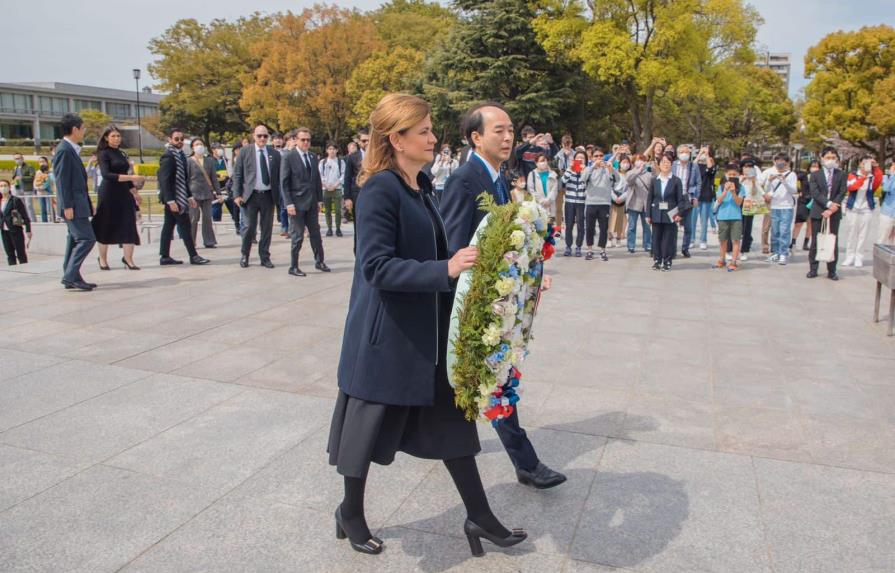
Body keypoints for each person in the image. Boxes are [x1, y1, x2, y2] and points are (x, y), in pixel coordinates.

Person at [328, 94, 526, 558]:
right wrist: (446, 269)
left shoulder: (419, 186)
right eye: (423, 131)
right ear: (396, 139)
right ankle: (350, 512)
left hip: (428, 333)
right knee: (365, 432)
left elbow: (445, 255)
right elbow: (375, 267)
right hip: (387, 337)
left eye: (432, 130)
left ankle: (480, 516)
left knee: (453, 425)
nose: (434, 138)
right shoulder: (380, 189)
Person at [442, 101, 566, 491]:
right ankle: (523, 462)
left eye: (511, 129)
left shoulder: (499, 178)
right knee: (489, 380)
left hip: (493, 298)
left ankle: (520, 462)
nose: (508, 136)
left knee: (490, 380)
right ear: (475, 137)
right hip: (469, 302)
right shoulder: (464, 180)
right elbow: (453, 243)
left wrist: (526, 273)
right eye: (499, 130)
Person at [91, 126, 144, 271]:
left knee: (128, 224)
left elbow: (124, 174)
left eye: (118, 136)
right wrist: (132, 177)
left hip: (123, 193)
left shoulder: (122, 153)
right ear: (106, 138)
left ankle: (128, 259)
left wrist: (134, 192)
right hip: (109, 193)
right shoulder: (103, 153)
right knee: (105, 225)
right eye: (113, 136)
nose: (116, 139)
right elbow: (107, 174)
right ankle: (102, 259)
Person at [53, 113, 96, 291]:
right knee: (87, 239)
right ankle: (70, 276)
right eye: (83, 128)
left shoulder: (70, 149)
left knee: (74, 240)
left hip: (78, 203)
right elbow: (62, 181)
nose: (84, 131)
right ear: (74, 129)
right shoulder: (64, 150)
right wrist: (68, 205)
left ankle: (72, 275)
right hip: (73, 205)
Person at [280, 127, 329, 277]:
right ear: (295, 140)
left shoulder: (313, 157)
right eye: (303, 140)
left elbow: (316, 180)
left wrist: (319, 200)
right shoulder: (289, 157)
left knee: (315, 234)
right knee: (297, 236)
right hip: (296, 203)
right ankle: (293, 266)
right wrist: (288, 203)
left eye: (308, 140)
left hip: (312, 202)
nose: (306, 142)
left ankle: (319, 261)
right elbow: (284, 182)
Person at [157, 128, 210, 267]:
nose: (179, 141)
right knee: (185, 225)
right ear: (169, 140)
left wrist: (189, 196)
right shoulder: (168, 156)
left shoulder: (180, 155)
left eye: (181, 139)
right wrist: (170, 200)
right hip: (174, 198)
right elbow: (165, 180)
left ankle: (164, 256)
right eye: (176, 139)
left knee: (168, 226)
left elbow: (183, 179)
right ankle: (193, 255)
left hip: (180, 196)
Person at [232, 124, 281, 268]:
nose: (262, 138)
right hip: (250, 196)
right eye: (259, 135)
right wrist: (236, 194)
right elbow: (237, 174)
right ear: (254, 136)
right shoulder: (245, 152)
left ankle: (265, 256)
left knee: (267, 228)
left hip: (268, 195)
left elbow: (278, 176)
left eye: (265, 136)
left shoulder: (274, 154)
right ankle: (245, 255)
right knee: (248, 228)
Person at [807, 146, 847, 280]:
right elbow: (815, 193)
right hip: (819, 211)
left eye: (833, 158)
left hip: (834, 212)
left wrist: (832, 208)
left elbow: (842, 192)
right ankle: (813, 268)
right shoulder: (815, 175)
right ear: (822, 158)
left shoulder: (841, 174)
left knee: (832, 240)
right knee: (816, 241)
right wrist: (828, 204)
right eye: (828, 157)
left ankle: (832, 270)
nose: (831, 160)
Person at [647, 152, 685, 271]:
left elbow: (680, 200)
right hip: (656, 213)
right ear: (659, 164)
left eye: (668, 162)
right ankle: (657, 260)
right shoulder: (654, 180)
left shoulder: (676, 181)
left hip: (671, 214)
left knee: (668, 238)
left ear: (671, 164)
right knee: (656, 237)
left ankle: (667, 260)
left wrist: (679, 214)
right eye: (663, 162)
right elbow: (650, 198)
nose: (665, 164)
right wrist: (648, 214)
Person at [843, 155, 884, 267]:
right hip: (853, 208)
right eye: (863, 163)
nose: (865, 165)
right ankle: (849, 256)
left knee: (863, 234)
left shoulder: (872, 177)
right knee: (851, 233)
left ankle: (859, 257)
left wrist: (876, 167)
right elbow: (852, 187)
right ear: (859, 164)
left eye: (868, 163)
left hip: (866, 208)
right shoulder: (852, 175)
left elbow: (878, 181)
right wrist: (863, 177)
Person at [760, 153, 798, 265]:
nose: (780, 163)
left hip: (786, 206)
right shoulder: (772, 174)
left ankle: (783, 254)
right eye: (777, 161)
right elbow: (769, 190)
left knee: (784, 231)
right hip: (774, 205)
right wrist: (770, 181)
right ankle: (775, 253)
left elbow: (793, 190)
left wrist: (784, 181)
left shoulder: (791, 174)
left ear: (787, 163)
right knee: (775, 231)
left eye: (782, 161)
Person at [185, 138, 220, 249]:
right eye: (197, 144)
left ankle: (209, 241)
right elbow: (186, 178)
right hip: (194, 193)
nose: (199, 146)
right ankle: (191, 241)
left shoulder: (209, 161)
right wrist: (187, 194)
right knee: (193, 218)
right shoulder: (189, 161)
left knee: (207, 218)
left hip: (207, 193)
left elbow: (213, 177)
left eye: (201, 144)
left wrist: (218, 192)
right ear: (192, 147)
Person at [583, 152, 616, 261]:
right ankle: (589, 250)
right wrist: (593, 166)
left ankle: (603, 250)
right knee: (589, 228)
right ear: (592, 158)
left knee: (603, 228)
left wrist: (611, 169)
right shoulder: (589, 169)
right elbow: (583, 178)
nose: (598, 158)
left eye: (600, 156)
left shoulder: (607, 168)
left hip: (604, 203)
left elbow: (617, 179)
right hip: (591, 202)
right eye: (596, 156)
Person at [713, 163, 747, 271]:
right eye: (730, 174)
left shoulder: (741, 187)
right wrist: (725, 191)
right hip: (722, 217)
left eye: (734, 174)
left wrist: (733, 192)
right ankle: (721, 259)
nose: (732, 176)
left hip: (736, 217)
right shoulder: (721, 186)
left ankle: (733, 261)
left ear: (738, 175)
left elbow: (739, 203)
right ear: (726, 175)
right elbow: (718, 201)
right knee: (723, 240)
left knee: (735, 240)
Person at [672, 144, 701, 257]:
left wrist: (696, 197)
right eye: (682, 152)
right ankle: (672, 249)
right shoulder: (673, 165)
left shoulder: (694, 166)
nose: (685, 154)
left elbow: (698, 182)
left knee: (688, 226)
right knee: (673, 226)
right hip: (675, 198)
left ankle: (685, 248)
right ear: (678, 154)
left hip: (688, 198)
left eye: (687, 152)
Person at [560, 150, 588, 257]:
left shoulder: (587, 171)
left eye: (583, 158)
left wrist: (584, 171)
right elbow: (563, 180)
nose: (580, 160)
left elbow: (588, 183)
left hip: (581, 201)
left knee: (581, 225)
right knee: (569, 224)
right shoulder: (570, 169)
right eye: (578, 158)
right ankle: (568, 246)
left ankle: (578, 247)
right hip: (569, 201)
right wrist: (571, 169)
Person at [625, 153, 653, 254]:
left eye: (641, 160)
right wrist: (637, 171)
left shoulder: (649, 174)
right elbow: (629, 180)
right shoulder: (631, 172)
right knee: (632, 226)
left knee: (647, 227)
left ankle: (648, 244)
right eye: (637, 160)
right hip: (634, 203)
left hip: (646, 204)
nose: (639, 162)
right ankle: (631, 245)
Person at [738, 158, 764, 261]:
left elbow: (755, 192)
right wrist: (742, 180)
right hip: (738, 203)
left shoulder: (754, 180)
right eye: (746, 167)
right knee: (737, 227)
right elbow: (735, 189)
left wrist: (753, 182)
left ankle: (744, 250)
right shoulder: (739, 178)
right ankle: (731, 249)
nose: (748, 169)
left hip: (749, 204)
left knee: (747, 228)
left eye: (750, 167)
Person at [1, 179, 31, 265]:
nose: (3, 188)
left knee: (21, 254)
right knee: (10, 254)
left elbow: (25, 216)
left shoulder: (15, 200)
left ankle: (25, 270)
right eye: (1, 186)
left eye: (5, 185)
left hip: (16, 230)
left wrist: (28, 230)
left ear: (9, 187)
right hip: (4, 231)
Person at [319, 142, 346, 237]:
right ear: (326, 150)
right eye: (330, 149)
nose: (332, 151)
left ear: (337, 150)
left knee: (338, 210)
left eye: (334, 149)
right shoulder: (323, 162)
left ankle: (338, 229)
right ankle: (329, 229)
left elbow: (343, 175)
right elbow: (320, 175)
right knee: (327, 210)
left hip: (337, 189)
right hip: (325, 189)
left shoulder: (340, 162)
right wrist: (326, 185)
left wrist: (335, 185)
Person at [792, 160, 818, 251]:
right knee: (799, 223)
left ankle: (806, 243)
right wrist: (799, 190)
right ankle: (793, 242)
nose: (814, 168)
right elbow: (793, 180)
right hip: (803, 201)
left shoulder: (820, 177)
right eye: (813, 166)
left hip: (814, 202)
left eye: (816, 166)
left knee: (810, 223)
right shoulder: (804, 175)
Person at [525, 153, 558, 222]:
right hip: (538, 206)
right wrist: (541, 200)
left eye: (545, 160)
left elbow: (554, 189)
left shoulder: (553, 174)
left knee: (550, 228)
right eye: (541, 161)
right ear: (536, 162)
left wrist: (548, 200)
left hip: (550, 205)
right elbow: (531, 189)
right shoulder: (532, 174)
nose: (544, 162)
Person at [696, 147, 717, 249]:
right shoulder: (697, 166)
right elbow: (691, 165)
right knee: (692, 219)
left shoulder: (711, 167)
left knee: (704, 220)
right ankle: (691, 239)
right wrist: (700, 153)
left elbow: (710, 167)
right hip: (695, 196)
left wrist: (707, 154)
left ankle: (703, 240)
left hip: (706, 195)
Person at [608, 155, 629, 248]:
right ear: (619, 163)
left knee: (620, 220)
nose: (626, 164)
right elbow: (609, 185)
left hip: (623, 198)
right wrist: (614, 196)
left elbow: (629, 189)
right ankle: (609, 238)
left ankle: (618, 239)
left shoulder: (630, 174)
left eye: (627, 162)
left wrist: (623, 197)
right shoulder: (615, 173)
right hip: (613, 197)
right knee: (611, 219)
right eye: (623, 162)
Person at [12, 153, 36, 223]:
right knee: (21, 206)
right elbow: (14, 177)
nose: (18, 160)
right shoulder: (15, 168)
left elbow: (32, 177)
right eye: (16, 159)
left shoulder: (29, 166)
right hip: (18, 188)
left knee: (29, 205)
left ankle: (32, 220)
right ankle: (24, 219)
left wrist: (22, 178)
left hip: (27, 189)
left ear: (22, 158)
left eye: (19, 158)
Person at [33, 156, 56, 222]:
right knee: (43, 207)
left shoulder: (50, 172)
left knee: (50, 207)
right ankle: (44, 220)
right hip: (40, 192)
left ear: (47, 162)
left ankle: (53, 219)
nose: (42, 163)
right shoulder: (38, 172)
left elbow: (52, 181)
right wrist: (37, 187)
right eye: (40, 162)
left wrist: (45, 185)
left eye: (43, 161)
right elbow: (35, 181)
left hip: (48, 192)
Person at [880, 163, 895, 245]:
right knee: (882, 239)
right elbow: (885, 188)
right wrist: (892, 174)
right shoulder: (888, 177)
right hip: (887, 213)